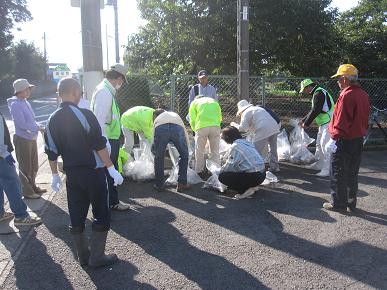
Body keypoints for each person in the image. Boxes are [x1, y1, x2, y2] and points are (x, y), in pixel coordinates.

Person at [45, 78, 123, 267]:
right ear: (75, 93)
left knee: (76, 214)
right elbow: (99, 144)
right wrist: (111, 169)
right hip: (94, 173)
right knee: (101, 212)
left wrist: (55, 174)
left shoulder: (52, 119)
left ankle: (83, 256)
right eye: (79, 93)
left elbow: (51, 151)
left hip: (72, 176)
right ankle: (97, 257)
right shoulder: (85, 115)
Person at [323, 64, 370, 211]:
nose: (337, 81)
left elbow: (341, 120)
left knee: (338, 172)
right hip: (357, 139)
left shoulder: (346, 95)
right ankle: (350, 202)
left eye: (338, 78)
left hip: (344, 139)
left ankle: (338, 204)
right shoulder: (363, 94)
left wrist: (333, 138)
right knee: (352, 172)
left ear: (344, 79)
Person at [91, 64, 129, 211]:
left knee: (108, 171)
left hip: (108, 138)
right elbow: (99, 120)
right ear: (119, 78)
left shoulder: (104, 90)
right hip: (107, 139)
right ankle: (111, 203)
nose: (121, 84)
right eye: (122, 80)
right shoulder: (104, 92)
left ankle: (110, 202)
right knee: (109, 171)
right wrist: (103, 142)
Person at [7, 79, 46, 199]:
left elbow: (31, 120)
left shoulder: (25, 102)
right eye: (27, 88)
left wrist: (38, 126)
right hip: (22, 139)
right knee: (25, 166)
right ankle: (27, 191)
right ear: (21, 90)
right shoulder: (15, 104)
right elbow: (22, 124)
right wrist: (38, 127)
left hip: (31, 137)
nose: (30, 91)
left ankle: (33, 186)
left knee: (33, 164)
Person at [0, 112, 42, 226]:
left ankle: (0, 214)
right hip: (1, 156)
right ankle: (21, 216)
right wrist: (4, 152)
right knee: (12, 184)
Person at [231, 100, 281, 172]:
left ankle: (256, 168)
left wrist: (234, 125)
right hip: (274, 127)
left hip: (263, 129)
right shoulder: (258, 108)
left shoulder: (246, 112)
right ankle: (275, 167)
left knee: (255, 151)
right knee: (273, 147)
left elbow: (243, 128)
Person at [299, 79, 335, 177]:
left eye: (304, 90)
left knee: (325, 145)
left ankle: (327, 169)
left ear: (308, 87)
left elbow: (316, 110)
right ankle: (319, 164)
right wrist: (303, 120)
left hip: (329, 121)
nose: (304, 92)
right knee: (319, 144)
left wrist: (306, 123)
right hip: (324, 122)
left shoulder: (319, 93)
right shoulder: (317, 92)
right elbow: (313, 109)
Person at [218, 126, 266, 199]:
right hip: (262, 174)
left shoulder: (235, 146)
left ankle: (245, 190)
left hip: (254, 177)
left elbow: (230, 165)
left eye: (223, 137)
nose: (223, 139)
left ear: (228, 137)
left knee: (223, 176)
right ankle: (252, 186)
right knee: (235, 170)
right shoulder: (245, 142)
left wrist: (219, 171)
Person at [152, 109, 190, 192]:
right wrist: (187, 148)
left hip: (160, 128)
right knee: (184, 155)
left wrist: (155, 149)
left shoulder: (157, 119)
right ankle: (182, 183)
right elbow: (184, 131)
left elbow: (153, 135)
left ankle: (159, 185)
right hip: (177, 127)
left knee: (159, 157)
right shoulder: (174, 114)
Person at [189, 95, 222, 179]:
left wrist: (195, 130)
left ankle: (199, 171)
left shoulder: (194, 102)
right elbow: (220, 117)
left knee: (199, 150)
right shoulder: (214, 101)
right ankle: (215, 171)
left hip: (201, 126)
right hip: (215, 126)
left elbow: (192, 119)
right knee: (215, 150)